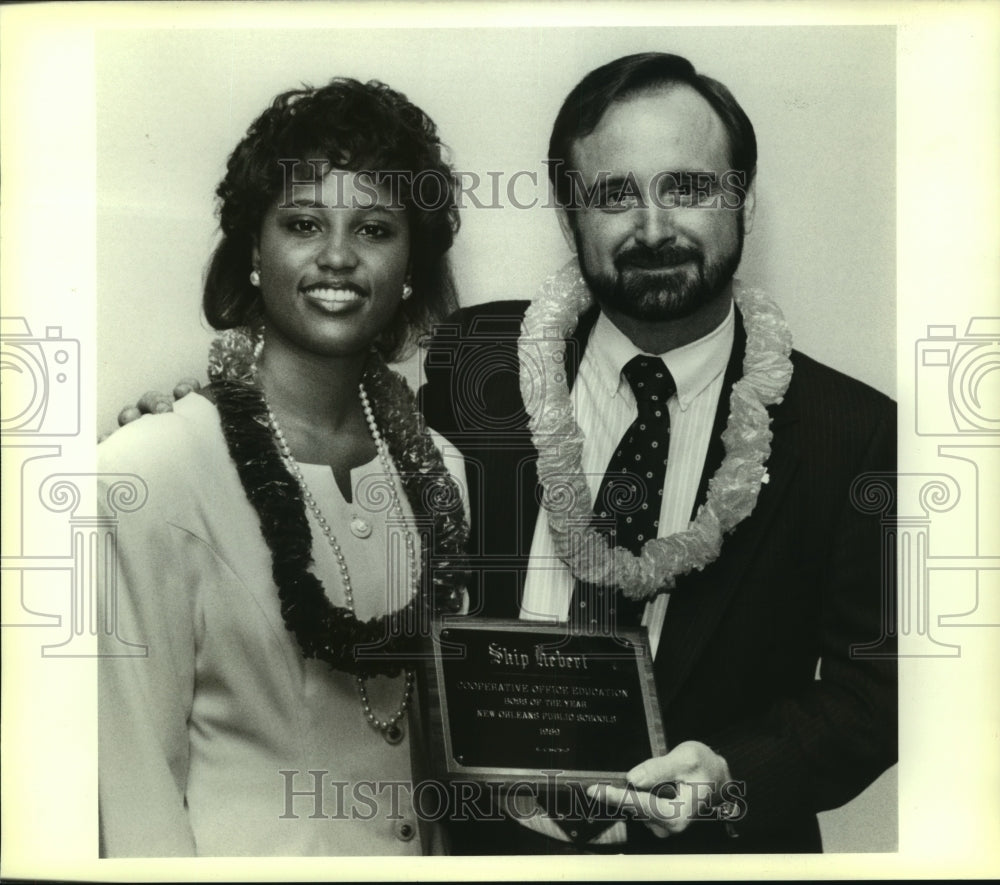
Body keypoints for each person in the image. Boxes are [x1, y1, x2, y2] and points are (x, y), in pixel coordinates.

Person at [121, 52, 897, 855]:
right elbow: (342, 443)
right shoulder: (480, 359)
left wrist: (731, 776)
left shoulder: (849, 433)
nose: (655, 227)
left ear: (743, 201)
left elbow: (876, 691)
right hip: (481, 855)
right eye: (614, 194)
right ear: (568, 215)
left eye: (688, 188)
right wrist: (219, 425)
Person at [98, 77, 469, 857]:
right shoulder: (151, 472)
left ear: (409, 270)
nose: (338, 256)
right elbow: (132, 787)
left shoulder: (446, 476)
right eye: (303, 222)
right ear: (255, 255)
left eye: (374, 228)